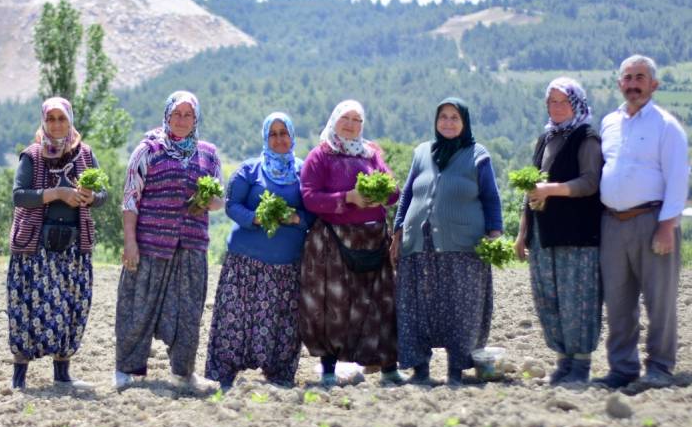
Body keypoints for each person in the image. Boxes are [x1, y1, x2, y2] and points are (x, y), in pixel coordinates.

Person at [115, 90, 223, 390]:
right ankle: (127, 371)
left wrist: (208, 201)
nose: (182, 120)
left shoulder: (208, 153)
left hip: (191, 247)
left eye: (188, 115)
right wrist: (130, 242)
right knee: (138, 310)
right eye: (177, 114)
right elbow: (130, 199)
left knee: (189, 315)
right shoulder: (148, 150)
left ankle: (182, 373)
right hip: (151, 246)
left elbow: (218, 199)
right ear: (167, 115)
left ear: (196, 118)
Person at [391, 98, 503, 386]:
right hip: (419, 244)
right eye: (443, 117)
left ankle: (456, 369)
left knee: (461, 307)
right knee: (416, 308)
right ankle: (420, 370)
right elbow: (407, 194)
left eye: (455, 117)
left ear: (464, 122)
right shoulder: (421, 152)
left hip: (463, 246)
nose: (449, 123)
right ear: (436, 121)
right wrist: (398, 230)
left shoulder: (477, 155)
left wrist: (494, 234)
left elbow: (491, 198)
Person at [596, 55, 689, 389]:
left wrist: (667, 226)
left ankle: (660, 367)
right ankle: (622, 369)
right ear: (619, 83)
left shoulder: (666, 126)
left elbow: (678, 178)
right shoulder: (609, 123)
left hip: (652, 221)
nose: (633, 84)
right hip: (612, 224)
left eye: (640, 77)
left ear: (654, 84)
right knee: (618, 302)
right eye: (628, 77)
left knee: (658, 300)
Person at [298, 99, 403, 387]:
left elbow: (393, 190)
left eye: (357, 120)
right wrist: (347, 198)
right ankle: (329, 369)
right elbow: (309, 196)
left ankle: (388, 368)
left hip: (372, 240)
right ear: (334, 120)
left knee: (381, 303)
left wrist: (383, 196)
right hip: (334, 241)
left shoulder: (371, 154)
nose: (351, 125)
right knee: (334, 304)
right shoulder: (321, 155)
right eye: (346, 118)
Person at [205, 112, 314, 389]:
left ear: (292, 136)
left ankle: (278, 376)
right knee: (235, 321)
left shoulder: (304, 172)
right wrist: (255, 218)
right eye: (273, 134)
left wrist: (296, 218)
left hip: (286, 267)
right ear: (266, 138)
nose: (279, 139)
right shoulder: (250, 169)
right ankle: (223, 377)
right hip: (245, 264)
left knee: (282, 325)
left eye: (284, 133)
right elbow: (231, 205)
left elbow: (315, 212)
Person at [8, 97, 106, 390]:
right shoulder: (33, 155)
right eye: (50, 119)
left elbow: (102, 195)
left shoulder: (85, 155)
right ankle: (20, 378)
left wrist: (91, 197)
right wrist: (56, 193)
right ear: (43, 122)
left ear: (70, 120)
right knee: (27, 308)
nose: (56, 124)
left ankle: (62, 374)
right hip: (35, 248)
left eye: (61, 118)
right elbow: (19, 195)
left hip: (73, 247)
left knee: (71, 306)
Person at [514, 78, 603, 385]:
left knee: (576, 299)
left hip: (577, 235)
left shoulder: (586, 137)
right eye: (551, 102)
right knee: (548, 298)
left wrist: (551, 190)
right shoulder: (546, 138)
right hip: (544, 234)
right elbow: (531, 190)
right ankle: (563, 360)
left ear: (576, 104)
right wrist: (522, 232)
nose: (556, 107)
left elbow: (590, 182)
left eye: (562, 101)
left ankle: (580, 364)